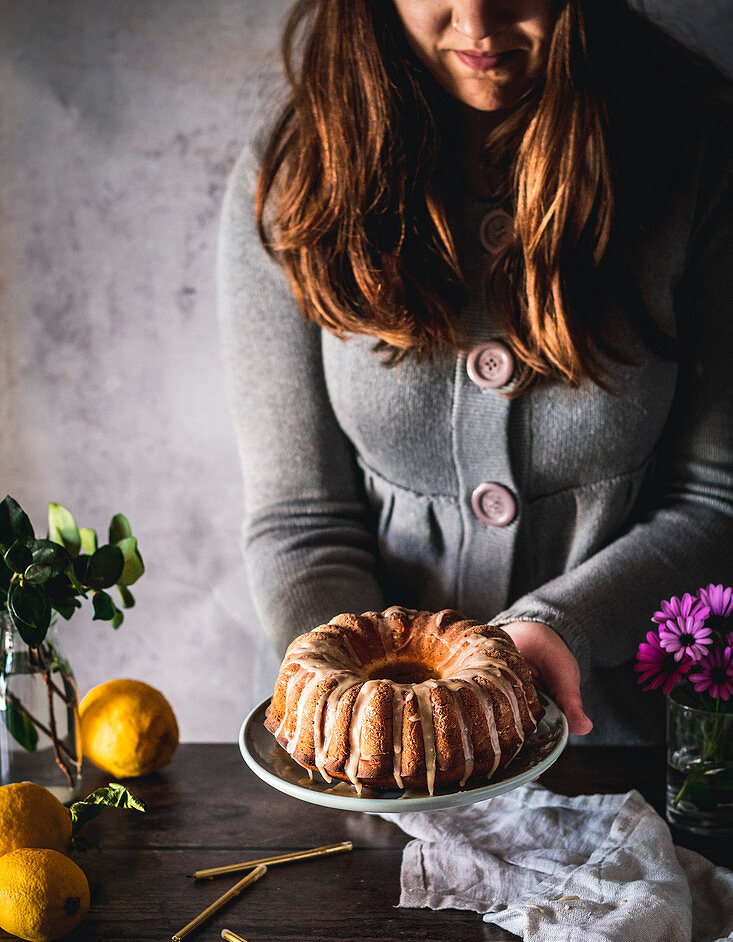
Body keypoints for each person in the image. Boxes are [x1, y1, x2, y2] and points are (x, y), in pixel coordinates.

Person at [218, 0, 733, 745]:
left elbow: (715, 500)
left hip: (628, 753)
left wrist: (560, 628)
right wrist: (363, 714)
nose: (477, 22)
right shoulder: (294, 175)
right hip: (374, 771)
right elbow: (300, 519)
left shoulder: (700, 153)